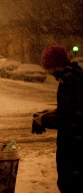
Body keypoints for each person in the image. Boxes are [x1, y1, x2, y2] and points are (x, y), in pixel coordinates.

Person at [32, 45, 83, 192]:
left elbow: (68, 117)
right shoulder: (77, 75)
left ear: (54, 65)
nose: (46, 71)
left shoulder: (68, 81)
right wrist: (49, 112)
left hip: (73, 144)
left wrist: (43, 120)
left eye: (47, 66)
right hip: (76, 142)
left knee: (69, 184)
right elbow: (71, 109)